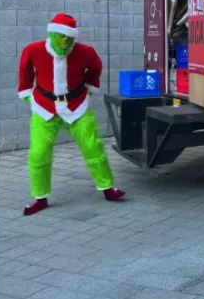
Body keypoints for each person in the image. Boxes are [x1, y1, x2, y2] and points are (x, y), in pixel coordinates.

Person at [18, 13, 126, 216]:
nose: (66, 41)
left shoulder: (85, 52)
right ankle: (40, 197)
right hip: (44, 106)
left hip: (77, 105)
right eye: (61, 36)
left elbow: (96, 67)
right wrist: (27, 94)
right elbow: (25, 72)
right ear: (52, 34)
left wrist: (89, 85)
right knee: (38, 152)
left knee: (93, 146)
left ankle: (107, 188)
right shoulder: (33, 50)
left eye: (70, 37)